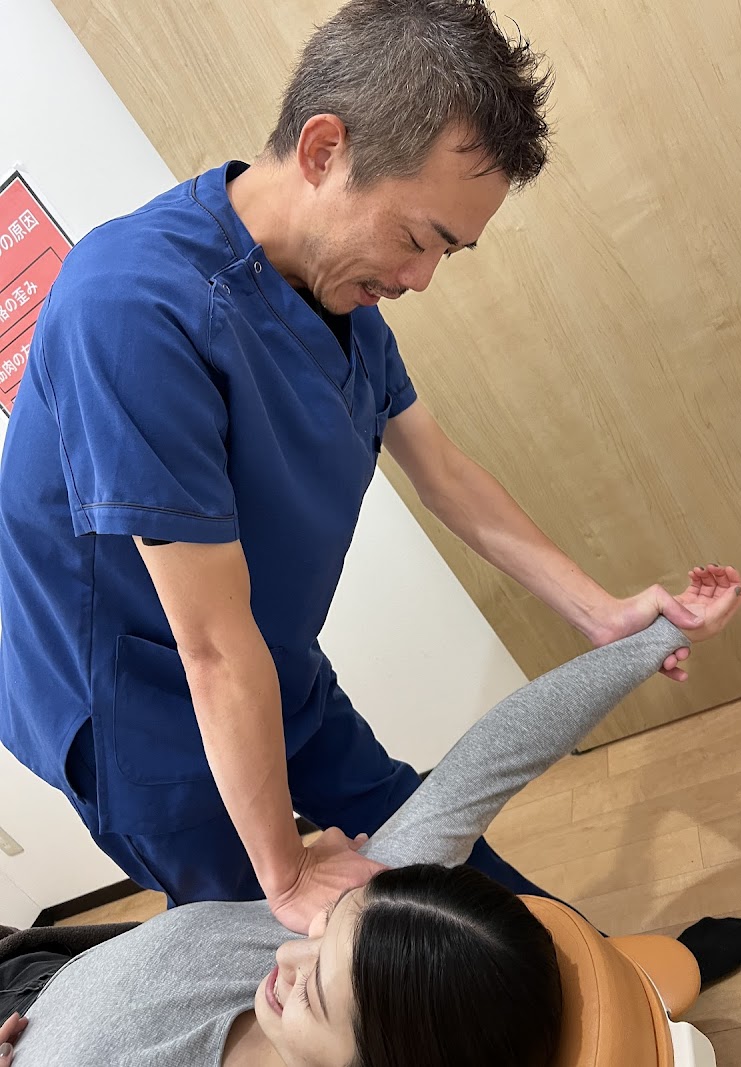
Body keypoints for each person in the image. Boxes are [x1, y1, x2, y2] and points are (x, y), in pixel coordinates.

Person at [0, 0, 704, 933]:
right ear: (324, 149)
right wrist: (288, 878)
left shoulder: (340, 295)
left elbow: (443, 472)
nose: (421, 279)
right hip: (140, 710)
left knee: (428, 843)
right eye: (418, 238)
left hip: (268, 655)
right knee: (272, 941)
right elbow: (209, 646)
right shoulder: (132, 307)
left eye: (448, 251)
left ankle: (608, 972)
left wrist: (600, 612)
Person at [2, 573, 741, 1065]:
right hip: (29, 971)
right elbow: (488, 764)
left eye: (316, 990)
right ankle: (658, 969)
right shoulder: (355, 943)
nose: (285, 951)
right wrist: (667, 632)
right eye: (327, 926)